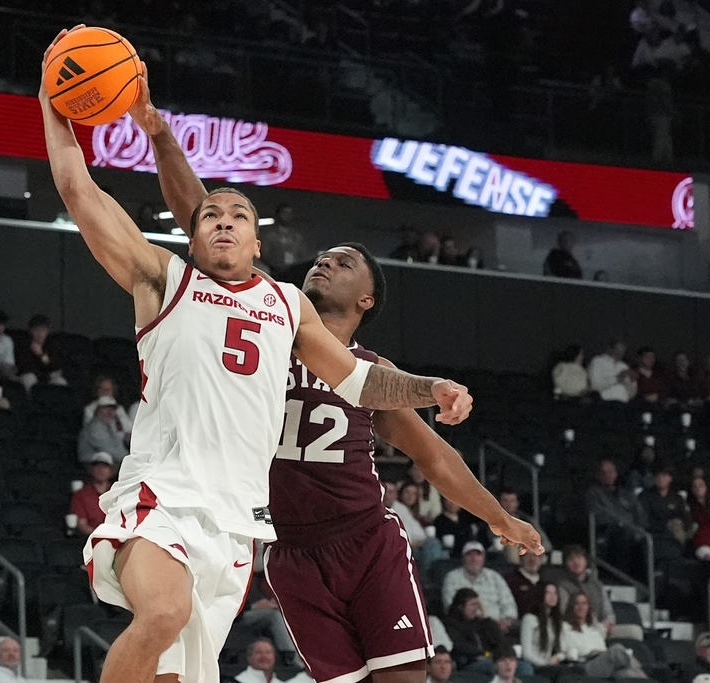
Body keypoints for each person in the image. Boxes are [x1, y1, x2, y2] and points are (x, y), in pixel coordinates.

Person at [43, 31, 474, 683]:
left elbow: (360, 381)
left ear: (255, 238)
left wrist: (428, 386)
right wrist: (51, 101)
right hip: (163, 495)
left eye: (237, 214)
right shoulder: (165, 279)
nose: (221, 219)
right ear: (193, 233)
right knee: (161, 613)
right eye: (209, 213)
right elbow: (80, 192)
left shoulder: (286, 305)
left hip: (236, 527)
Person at [131, 58, 539, 683]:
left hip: (365, 538)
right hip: (290, 549)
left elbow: (435, 458)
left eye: (344, 262)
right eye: (322, 257)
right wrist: (160, 135)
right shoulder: (267, 317)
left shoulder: (369, 370)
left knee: (404, 678)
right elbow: (200, 210)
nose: (324, 263)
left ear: (368, 299)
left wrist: (498, 517)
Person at [559, 593, 647, 679]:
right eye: (577, 603)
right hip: (585, 665)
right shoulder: (565, 627)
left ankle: (644, 677)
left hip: (603, 662)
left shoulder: (593, 629)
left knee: (628, 674)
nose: (581, 607)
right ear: (571, 607)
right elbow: (564, 651)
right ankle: (640, 670)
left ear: (588, 607)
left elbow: (602, 648)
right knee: (616, 649)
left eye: (584, 603)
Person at [585, 461, 647, 578]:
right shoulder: (593, 493)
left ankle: (641, 581)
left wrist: (638, 530)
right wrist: (620, 523)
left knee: (646, 541)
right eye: (603, 473)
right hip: (608, 532)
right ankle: (620, 578)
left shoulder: (626, 494)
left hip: (631, 532)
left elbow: (639, 515)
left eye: (610, 472)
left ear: (616, 474)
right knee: (623, 536)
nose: (607, 475)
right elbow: (596, 515)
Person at [442, 542, 518, 633]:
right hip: (466, 626)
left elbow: (509, 604)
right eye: (469, 555)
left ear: (483, 559)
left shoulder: (495, 577)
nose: (474, 559)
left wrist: (506, 620)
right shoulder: (452, 577)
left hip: (498, 627)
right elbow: (451, 607)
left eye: (478, 555)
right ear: (463, 558)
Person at [442, 588, 505, 674]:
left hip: (489, 657)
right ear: (460, 607)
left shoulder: (480, 622)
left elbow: (500, 640)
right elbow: (461, 647)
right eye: (473, 605)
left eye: (478, 605)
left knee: (522, 666)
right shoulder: (451, 624)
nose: (476, 609)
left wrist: (486, 619)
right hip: (468, 662)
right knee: (495, 667)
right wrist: (485, 653)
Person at [556, 546, 616, 634]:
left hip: (602, 626)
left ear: (585, 561)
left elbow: (608, 611)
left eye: (579, 558)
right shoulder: (563, 586)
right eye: (571, 559)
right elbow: (565, 614)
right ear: (566, 564)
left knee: (634, 631)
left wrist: (608, 623)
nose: (576, 562)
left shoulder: (597, 585)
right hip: (577, 628)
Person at [496, 489, 551, 565]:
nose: (509, 504)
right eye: (505, 501)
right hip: (503, 551)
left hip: (526, 550)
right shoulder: (492, 520)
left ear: (517, 503)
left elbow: (546, 543)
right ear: (499, 503)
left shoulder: (527, 520)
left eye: (512, 501)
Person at [519, 582, 565, 668]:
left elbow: (559, 649)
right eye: (548, 593)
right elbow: (527, 654)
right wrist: (546, 664)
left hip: (549, 665)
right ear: (541, 595)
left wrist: (559, 657)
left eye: (555, 593)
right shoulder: (529, 619)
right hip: (534, 665)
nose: (553, 596)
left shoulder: (554, 621)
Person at [16, 314, 67, 391]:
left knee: (60, 382)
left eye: (43, 330)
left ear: (47, 331)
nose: (39, 334)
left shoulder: (53, 344)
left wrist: (41, 355)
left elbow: (54, 366)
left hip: (50, 376)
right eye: (36, 330)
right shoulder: (25, 344)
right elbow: (25, 367)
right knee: (29, 378)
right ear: (31, 331)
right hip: (32, 376)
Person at [70, 453, 116, 536]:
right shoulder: (81, 495)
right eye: (97, 466)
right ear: (91, 470)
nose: (100, 470)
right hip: (90, 540)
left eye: (104, 467)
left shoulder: (117, 493)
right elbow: (82, 524)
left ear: (111, 472)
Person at [77, 396, 129, 465]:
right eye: (105, 408)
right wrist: (129, 460)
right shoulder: (95, 427)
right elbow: (106, 448)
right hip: (91, 464)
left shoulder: (110, 425)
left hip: (111, 462)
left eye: (112, 409)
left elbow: (118, 446)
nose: (109, 412)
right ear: (98, 411)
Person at [503, 550, 545, 616]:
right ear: (521, 558)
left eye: (536, 555)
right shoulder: (510, 580)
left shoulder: (546, 582)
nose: (532, 559)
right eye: (528, 555)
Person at [690, 478, 710, 560]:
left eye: (701, 485)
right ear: (692, 490)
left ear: (705, 488)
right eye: (695, 486)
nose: (698, 488)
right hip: (701, 540)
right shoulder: (689, 506)